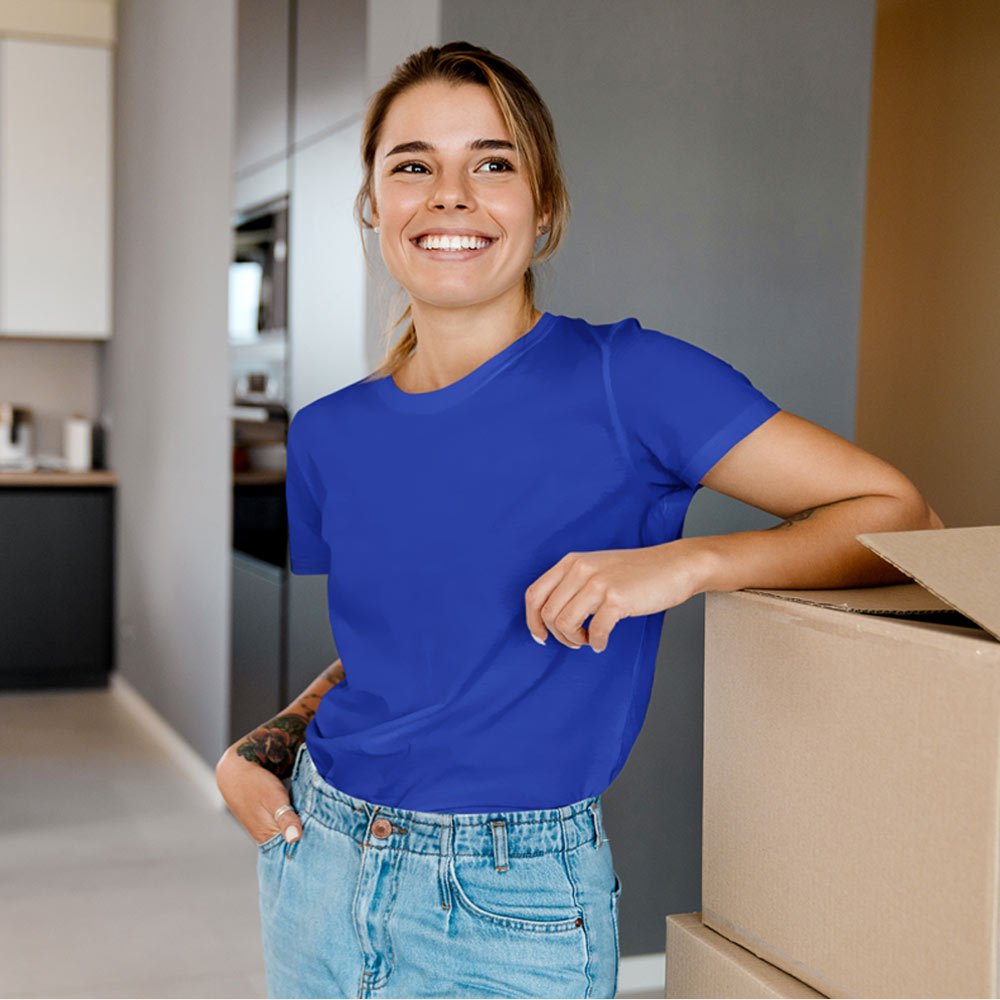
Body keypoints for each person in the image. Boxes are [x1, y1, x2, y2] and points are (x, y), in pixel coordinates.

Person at [215, 42, 943, 1000]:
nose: (450, 194)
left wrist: (682, 565)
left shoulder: (631, 380)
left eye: (492, 162)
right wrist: (261, 745)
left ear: (544, 207)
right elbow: (401, 653)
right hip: (318, 863)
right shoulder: (328, 435)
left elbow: (905, 518)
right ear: (375, 207)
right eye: (412, 165)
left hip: (509, 901)